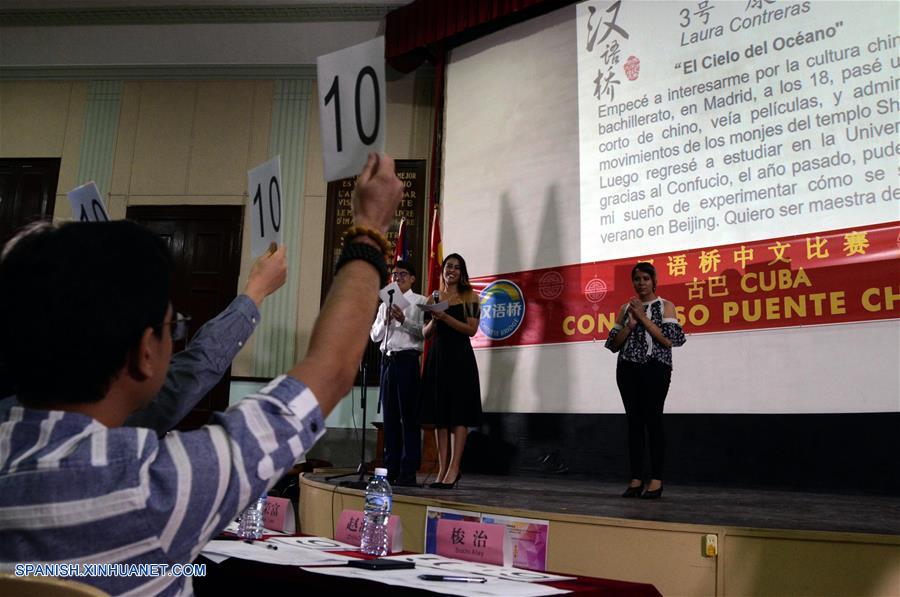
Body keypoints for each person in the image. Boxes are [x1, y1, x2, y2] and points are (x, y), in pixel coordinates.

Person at [0, 152, 402, 595]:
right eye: (176, 326)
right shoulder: (155, 487)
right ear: (144, 354)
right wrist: (369, 229)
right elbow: (330, 371)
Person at [0, 239, 288, 437]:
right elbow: (192, 371)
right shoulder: (121, 442)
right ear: (141, 353)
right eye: (169, 328)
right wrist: (255, 291)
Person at [605, 262, 686, 499]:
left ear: (654, 280)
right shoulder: (625, 308)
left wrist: (642, 316)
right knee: (634, 424)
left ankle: (657, 480)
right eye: (637, 279)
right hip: (628, 369)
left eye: (645, 279)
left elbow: (671, 340)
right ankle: (636, 478)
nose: (641, 283)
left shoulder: (666, 306)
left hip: (655, 369)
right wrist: (630, 324)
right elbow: (612, 344)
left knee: (653, 421)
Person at [419, 253, 482, 489]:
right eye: (448, 266)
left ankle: (455, 469)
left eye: (456, 267)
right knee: (440, 418)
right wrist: (435, 320)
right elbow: (425, 334)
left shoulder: (470, 297)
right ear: (443, 271)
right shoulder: (434, 297)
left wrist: (445, 316)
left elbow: (471, 330)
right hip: (438, 358)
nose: (451, 270)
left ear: (462, 272)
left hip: (460, 359)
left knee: (459, 415)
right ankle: (442, 469)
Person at [370, 260, 427, 486]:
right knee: (390, 417)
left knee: (408, 417)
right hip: (388, 361)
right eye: (395, 274)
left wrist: (403, 320)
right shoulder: (386, 302)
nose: (398, 278)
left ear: (413, 278)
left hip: (407, 360)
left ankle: (408, 469)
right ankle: (391, 467)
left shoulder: (421, 301)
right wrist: (385, 321)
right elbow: (374, 336)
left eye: (403, 274)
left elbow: (423, 334)